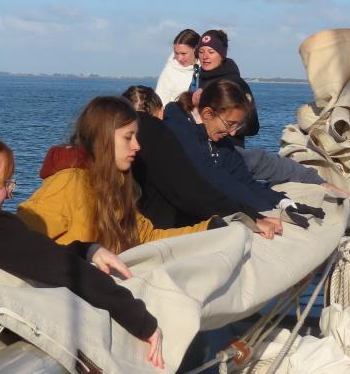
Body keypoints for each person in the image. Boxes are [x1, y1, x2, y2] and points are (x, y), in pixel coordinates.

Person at [0, 127, 164, 367]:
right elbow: (65, 271)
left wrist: (85, 250)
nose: (10, 194)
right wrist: (142, 322)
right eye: (4, 183)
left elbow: (34, 255)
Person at [17, 96, 218, 254]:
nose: (137, 146)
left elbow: (148, 238)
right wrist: (81, 255)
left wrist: (209, 229)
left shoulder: (117, 187)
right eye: (128, 137)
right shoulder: (67, 185)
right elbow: (18, 240)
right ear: (103, 139)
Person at [121, 85, 281, 238]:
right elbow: (189, 190)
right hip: (150, 237)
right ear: (161, 110)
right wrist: (251, 217)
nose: (135, 145)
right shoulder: (153, 128)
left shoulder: (118, 132)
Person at [163, 80, 324, 224]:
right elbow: (215, 179)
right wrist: (263, 213)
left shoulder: (221, 143)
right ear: (207, 114)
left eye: (237, 126)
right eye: (230, 124)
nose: (233, 133)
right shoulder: (179, 133)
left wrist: (282, 202)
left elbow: (245, 181)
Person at [195, 29, 259, 145]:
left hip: (229, 148)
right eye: (201, 51)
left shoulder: (236, 83)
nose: (205, 56)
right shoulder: (197, 80)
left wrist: (224, 127)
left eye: (211, 52)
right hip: (202, 147)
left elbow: (252, 126)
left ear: (222, 55)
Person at [155, 28, 201, 106]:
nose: (179, 58)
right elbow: (160, 104)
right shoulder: (169, 71)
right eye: (176, 53)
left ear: (196, 50)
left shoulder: (206, 69)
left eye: (183, 53)